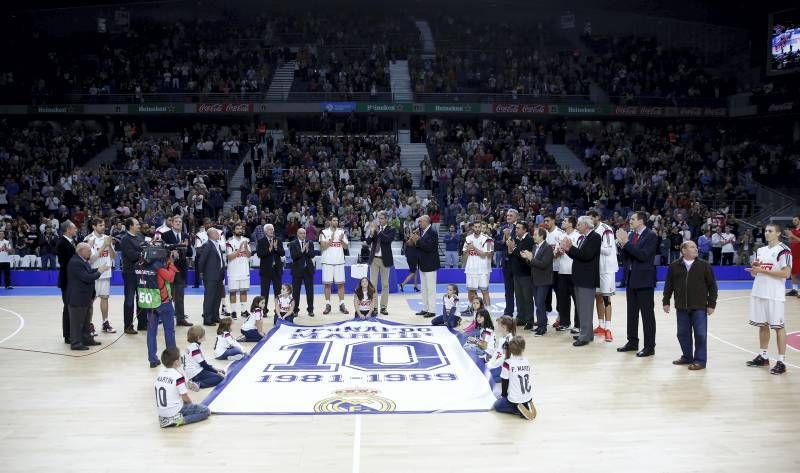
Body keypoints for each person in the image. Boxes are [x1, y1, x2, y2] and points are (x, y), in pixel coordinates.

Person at [662, 241, 718, 371]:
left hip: (699, 307)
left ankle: (700, 361)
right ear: (683, 251)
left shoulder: (704, 265)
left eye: (695, 246)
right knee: (682, 334)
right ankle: (687, 357)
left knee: (700, 334)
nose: (696, 249)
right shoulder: (674, 266)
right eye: (692, 247)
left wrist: (711, 304)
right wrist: (666, 301)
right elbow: (668, 285)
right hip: (681, 307)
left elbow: (713, 286)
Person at [745, 224, 792, 375]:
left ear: (778, 233)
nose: (767, 233)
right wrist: (754, 270)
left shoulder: (784, 250)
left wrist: (762, 270)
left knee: (778, 327)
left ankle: (781, 361)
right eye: (765, 231)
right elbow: (756, 274)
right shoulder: (761, 250)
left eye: (770, 231)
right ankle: (764, 356)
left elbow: (786, 274)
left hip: (774, 294)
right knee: (762, 325)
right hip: (759, 291)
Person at [616, 212, 659, 357]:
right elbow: (625, 257)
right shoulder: (632, 235)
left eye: (633, 219)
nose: (630, 221)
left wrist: (626, 243)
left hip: (644, 280)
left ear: (641, 221)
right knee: (632, 313)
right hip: (631, 279)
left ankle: (649, 347)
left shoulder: (651, 235)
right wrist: (621, 245)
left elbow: (643, 256)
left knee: (647, 315)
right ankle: (632, 342)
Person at [561, 216, 602, 347]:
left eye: (579, 224)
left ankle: (585, 336)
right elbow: (579, 255)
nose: (577, 226)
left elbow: (586, 256)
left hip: (587, 279)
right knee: (582, 309)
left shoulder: (594, 237)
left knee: (585, 309)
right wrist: (568, 250)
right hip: (581, 279)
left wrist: (570, 248)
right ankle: (586, 333)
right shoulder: (586, 238)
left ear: (585, 225)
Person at [138, 247, 180, 368]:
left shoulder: (141, 266)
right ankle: (172, 359)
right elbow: (170, 278)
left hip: (150, 303)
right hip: (163, 303)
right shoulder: (159, 268)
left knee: (151, 332)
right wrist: (171, 264)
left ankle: (152, 359)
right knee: (169, 331)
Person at [66, 243, 108, 351]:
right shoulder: (75, 262)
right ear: (81, 251)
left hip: (85, 297)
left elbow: (88, 272)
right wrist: (99, 272)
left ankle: (86, 339)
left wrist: (98, 269)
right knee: (77, 322)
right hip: (77, 298)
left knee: (86, 321)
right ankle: (75, 343)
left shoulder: (82, 260)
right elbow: (87, 277)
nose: (91, 253)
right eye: (89, 250)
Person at [154, 347, 207, 428]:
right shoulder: (178, 376)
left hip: (162, 412)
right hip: (174, 410)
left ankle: (166, 419)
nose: (181, 358)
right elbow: (184, 396)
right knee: (205, 411)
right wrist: (191, 406)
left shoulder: (159, 374)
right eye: (180, 357)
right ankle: (178, 420)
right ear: (176, 362)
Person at [160, 215, 194, 327]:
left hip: (181, 270)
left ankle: (180, 319)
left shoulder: (185, 235)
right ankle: (166, 318)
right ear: (172, 223)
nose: (178, 223)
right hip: (169, 269)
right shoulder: (165, 235)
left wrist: (187, 247)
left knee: (179, 297)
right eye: (176, 221)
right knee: (167, 295)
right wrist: (171, 252)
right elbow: (163, 250)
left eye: (180, 221)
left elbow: (189, 254)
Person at [493, 336, 536, 420]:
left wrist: (504, 396)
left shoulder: (508, 363)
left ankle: (516, 408)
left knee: (497, 405)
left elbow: (504, 381)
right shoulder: (526, 361)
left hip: (515, 398)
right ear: (523, 348)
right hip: (527, 395)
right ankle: (526, 403)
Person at [84, 218, 116, 334]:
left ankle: (105, 323)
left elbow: (113, 257)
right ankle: (89, 324)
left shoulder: (107, 238)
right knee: (90, 301)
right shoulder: (88, 239)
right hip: (93, 273)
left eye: (104, 225)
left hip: (106, 273)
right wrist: (104, 246)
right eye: (100, 225)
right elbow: (90, 259)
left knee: (105, 298)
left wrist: (110, 245)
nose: (103, 227)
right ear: (94, 226)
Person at [590, 210, 617, 342]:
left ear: (597, 217)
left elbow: (607, 250)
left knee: (606, 298)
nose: (589, 221)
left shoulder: (606, 230)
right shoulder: (591, 230)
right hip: (597, 268)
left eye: (591, 219)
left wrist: (593, 245)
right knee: (598, 297)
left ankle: (608, 329)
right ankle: (600, 326)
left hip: (607, 269)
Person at [520, 227, 553, 337]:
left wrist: (531, 258)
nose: (533, 236)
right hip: (535, 280)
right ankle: (540, 325)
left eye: (535, 235)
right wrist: (527, 258)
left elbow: (543, 264)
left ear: (541, 236)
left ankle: (542, 327)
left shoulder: (548, 248)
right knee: (538, 304)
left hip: (543, 281)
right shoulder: (534, 247)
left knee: (540, 303)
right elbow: (533, 264)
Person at [366, 211, 396, 315]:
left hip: (385, 259)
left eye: (382, 218)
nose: (380, 220)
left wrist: (378, 231)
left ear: (386, 219)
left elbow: (387, 240)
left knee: (385, 285)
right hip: (374, 259)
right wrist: (371, 232)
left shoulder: (391, 229)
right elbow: (368, 242)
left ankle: (383, 307)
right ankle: (374, 307)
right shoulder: (375, 229)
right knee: (373, 284)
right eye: (379, 218)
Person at [320, 217, 350, 315]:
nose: (335, 222)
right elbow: (322, 247)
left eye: (337, 220)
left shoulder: (342, 232)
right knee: (327, 284)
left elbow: (346, 247)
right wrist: (331, 240)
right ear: (329, 222)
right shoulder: (324, 232)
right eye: (333, 220)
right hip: (327, 261)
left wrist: (341, 241)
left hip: (339, 261)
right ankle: (328, 305)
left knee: (341, 284)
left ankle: (342, 304)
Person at [411, 215, 439, 318]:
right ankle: (425, 308)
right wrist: (416, 241)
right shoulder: (423, 232)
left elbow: (429, 247)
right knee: (424, 288)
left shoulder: (433, 232)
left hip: (430, 264)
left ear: (426, 222)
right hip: (423, 264)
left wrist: (417, 240)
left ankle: (432, 310)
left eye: (421, 222)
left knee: (430, 289)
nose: (419, 224)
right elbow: (421, 247)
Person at [507, 221, 534, 329]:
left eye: (518, 228)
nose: (516, 230)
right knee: (518, 297)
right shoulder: (516, 240)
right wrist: (510, 249)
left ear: (524, 230)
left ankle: (529, 320)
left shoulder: (529, 240)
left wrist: (513, 248)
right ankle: (521, 318)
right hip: (516, 273)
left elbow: (524, 256)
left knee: (527, 298)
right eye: (516, 228)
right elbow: (511, 256)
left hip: (525, 273)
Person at [121, 217, 145, 333]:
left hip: (141, 272)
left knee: (141, 298)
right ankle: (128, 326)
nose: (139, 226)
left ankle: (142, 324)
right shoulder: (125, 239)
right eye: (137, 224)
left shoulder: (140, 237)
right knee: (129, 300)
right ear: (130, 226)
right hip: (130, 273)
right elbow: (132, 255)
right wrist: (144, 252)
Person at [555, 216, 579, 333]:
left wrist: (568, 248)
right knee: (563, 299)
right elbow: (556, 254)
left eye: (565, 221)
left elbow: (580, 254)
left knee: (577, 300)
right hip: (562, 271)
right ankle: (565, 323)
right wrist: (558, 252)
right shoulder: (561, 236)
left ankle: (578, 325)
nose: (562, 222)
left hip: (574, 272)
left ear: (570, 224)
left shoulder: (578, 236)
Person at [197, 228, 225, 326]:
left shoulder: (217, 245)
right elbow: (202, 261)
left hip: (219, 275)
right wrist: (202, 273)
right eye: (216, 233)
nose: (218, 234)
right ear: (211, 235)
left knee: (217, 297)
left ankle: (215, 317)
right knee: (209, 298)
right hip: (210, 276)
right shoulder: (207, 245)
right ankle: (207, 319)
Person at [256, 224, 284, 314]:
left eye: (272, 229)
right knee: (264, 292)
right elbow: (259, 254)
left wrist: (276, 248)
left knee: (278, 292)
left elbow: (282, 253)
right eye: (269, 230)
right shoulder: (261, 241)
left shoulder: (278, 240)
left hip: (277, 270)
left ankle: (278, 310)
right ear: (265, 231)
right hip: (265, 271)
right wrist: (269, 249)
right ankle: (263, 310)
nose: (271, 231)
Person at [57, 220, 77, 344]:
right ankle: (68, 335)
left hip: (72, 280)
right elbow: (68, 262)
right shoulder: (62, 243)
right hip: (67, 281)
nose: (76, 230)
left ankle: (72, 332)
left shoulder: (70, 242)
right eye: (74, 228)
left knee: (72, 307)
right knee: (68, 307)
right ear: (68, 230)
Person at [463, 221, 492, 307]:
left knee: (485, 291)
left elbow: (484, 255)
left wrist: (474, 248)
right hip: (471, 268)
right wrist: (468, 249)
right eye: (475, 227)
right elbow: (464, 255)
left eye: (479, 227)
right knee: (471, 291)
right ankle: (472, 310)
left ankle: (488, 312)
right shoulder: (467, 238)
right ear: (473, 228)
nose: (478, 229)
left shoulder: (488, 239)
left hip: (483, 269)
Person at [497, 209, 519, 316]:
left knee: (519, 291)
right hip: (506, 263)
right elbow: (498, 244)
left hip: (517, 263)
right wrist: (504, 239)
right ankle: (508, 312)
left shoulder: (520, 227)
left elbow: (517, 243)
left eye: (511, 215)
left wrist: (508, 237)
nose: (508, 217)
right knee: (508, 290)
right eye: (507, 215)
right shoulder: (503, 228)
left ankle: (521, 314)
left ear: (516, 217)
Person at [289, 228, 316, 317]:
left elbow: (312, 255)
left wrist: (307, 251)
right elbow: (293, 257)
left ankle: (310, 310)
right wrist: (302, 250)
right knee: (296, 292)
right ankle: (295, 310)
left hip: (308, 270)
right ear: (297, 234)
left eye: (304, 233)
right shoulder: (293, 244)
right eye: (301, 233)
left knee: (310, 291)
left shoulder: (310, 243)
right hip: (297, 270)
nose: (303, 235)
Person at [543, 214, 565, 324]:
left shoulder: (560, 233)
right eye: (544, 221)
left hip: (557, 269)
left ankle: (560, 318)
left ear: (553, 220)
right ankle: (545, 317)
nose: (545, 223)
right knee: (546, 294)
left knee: (559, 294)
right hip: (546, 269)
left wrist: (551, 255)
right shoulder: (544, 233)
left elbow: (561, 252)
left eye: (547, 220)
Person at [399, 222, 420, 292]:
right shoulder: (415, 239)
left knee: (415, 271)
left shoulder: (408, 241)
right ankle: (403, 284)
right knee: (413, 272)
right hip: (413, 258)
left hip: (410, 258)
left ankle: (415, 286)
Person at [193, 218, 213, 288]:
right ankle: (196, 284)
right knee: (198, 271)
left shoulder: (216, 233)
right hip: (202, 257)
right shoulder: (199, 234)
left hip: (212, 258)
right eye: (207, 223)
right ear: (204, 225)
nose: (209, 225)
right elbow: (198, 249)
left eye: (210, 223)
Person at [784, 215, 800, 298]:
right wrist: (789, 235)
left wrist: (793, 236)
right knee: (793, 273)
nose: (794, 221)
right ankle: (795, 290)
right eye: (793, 220)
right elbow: (790, 241)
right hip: (794, 254)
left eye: (795, 220)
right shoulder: (793, 230)